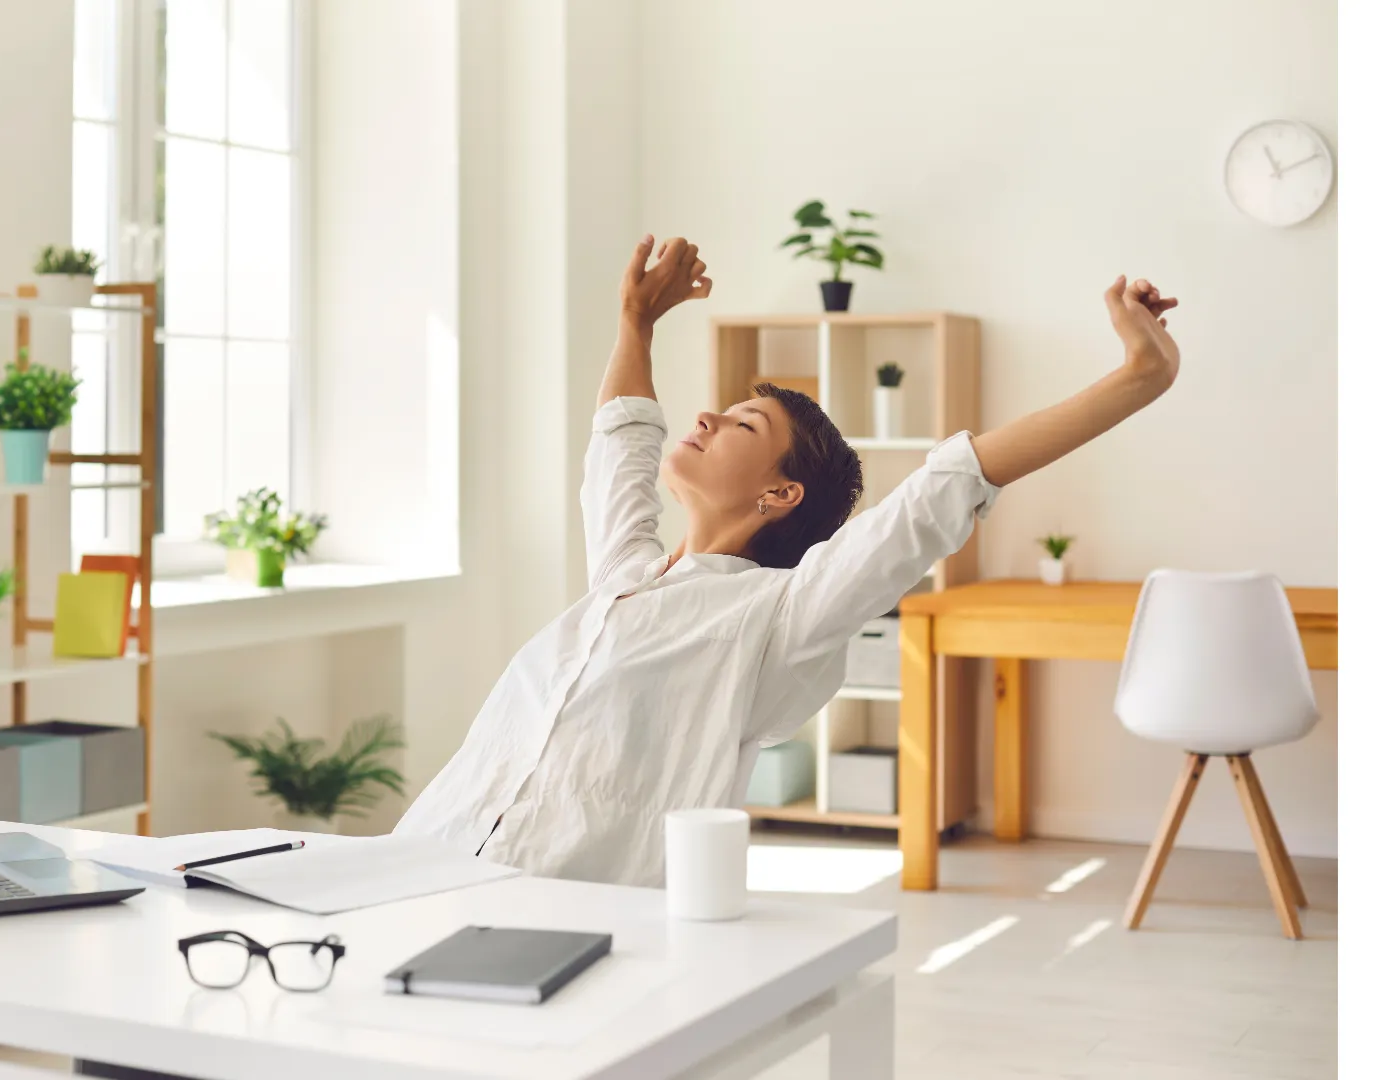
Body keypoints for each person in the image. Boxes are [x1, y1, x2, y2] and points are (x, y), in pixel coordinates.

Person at [394, 235, 1181, 887]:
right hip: (421, 860)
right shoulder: (624, 579)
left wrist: (1140, 378)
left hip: (554, 912)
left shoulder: (779, 618)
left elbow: (948, 485)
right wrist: (636, 321)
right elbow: (621, 445)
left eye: (741, 423)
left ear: (779, 492)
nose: (707, 415)